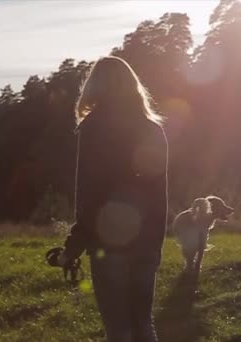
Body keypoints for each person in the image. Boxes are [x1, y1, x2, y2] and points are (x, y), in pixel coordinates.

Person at [54, 56, 168, 342]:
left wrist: (73, 247)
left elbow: (90, 194)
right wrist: (155, 246)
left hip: (109, 246)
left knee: (119, 330)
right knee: (143, 324)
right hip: (147, 245)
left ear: (95, 87)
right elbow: (160, 196)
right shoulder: (153, 129)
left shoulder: (95, 128)